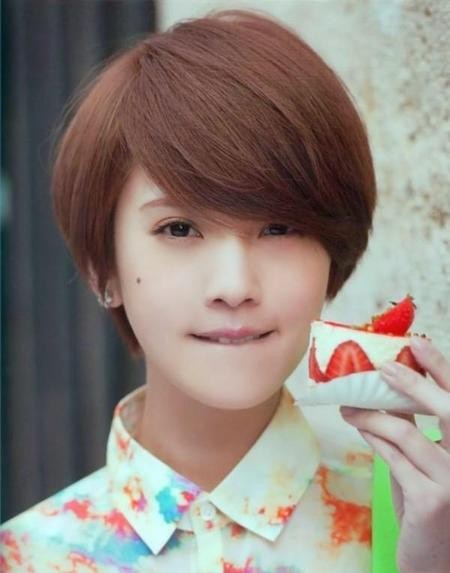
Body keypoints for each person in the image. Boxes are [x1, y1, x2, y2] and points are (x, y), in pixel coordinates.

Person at [1, 9, 449, 573]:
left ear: (331, 254)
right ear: (102, 267)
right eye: (179, 229)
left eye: (279, 228)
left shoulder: (420, 515)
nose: (235, 287)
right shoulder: (26, 558)